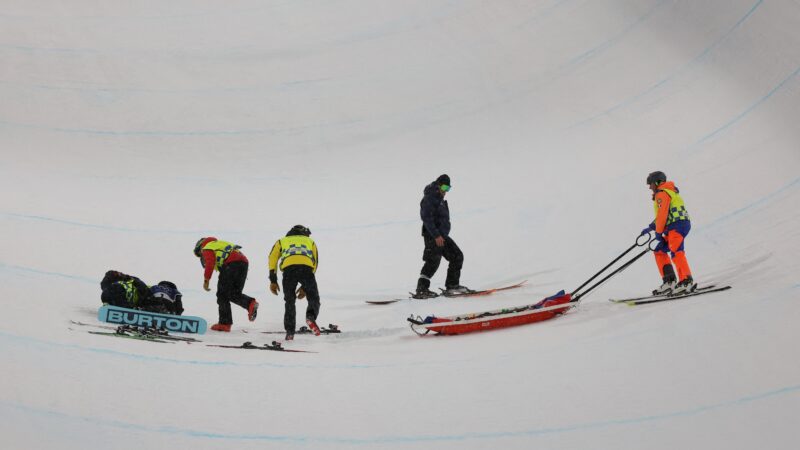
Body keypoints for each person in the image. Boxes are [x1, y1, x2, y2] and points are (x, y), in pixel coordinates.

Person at [415, 174, 470, 298]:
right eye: (444, 187)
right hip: (432, 235)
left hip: (442, 236)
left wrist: (442, 235)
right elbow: (426, 218)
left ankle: (452, 285)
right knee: (433, 260)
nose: (446, 191)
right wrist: (436, 235)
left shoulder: (439, 199)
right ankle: (422, 289)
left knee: (457, 256)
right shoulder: (430, 197)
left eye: (448, 188)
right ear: (438, 184)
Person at [642, 171, 696, 295]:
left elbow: (662, 215)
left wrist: (658, 232)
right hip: (676, 225)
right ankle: (669, 281)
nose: (650, 187)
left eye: (650, 184)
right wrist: (651, 228)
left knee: (676, 251)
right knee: (659, 251)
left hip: (677, 226)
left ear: (657, 182)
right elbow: (664, 214)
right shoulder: (667, 192)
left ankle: (686, 281)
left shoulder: (662, 193)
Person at [194, 237, 258, 332]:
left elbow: (210, 262)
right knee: (233, 293)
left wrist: (206, 280)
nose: (202, 257)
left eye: (200, 254)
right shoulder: (219, 244)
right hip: (243, 264)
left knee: (222, 294)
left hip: (230, 264)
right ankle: (250, 303)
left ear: (200, 247)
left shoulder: (207, 247)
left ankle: (224, 323)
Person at [268, 225, 321, 340]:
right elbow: (315, 262)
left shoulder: (281, 241)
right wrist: (305, 287)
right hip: (306, 269)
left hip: (289, 270)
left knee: (290, 301)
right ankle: (310, 317)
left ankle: (290, 331)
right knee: (314, 297)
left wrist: (273, 280)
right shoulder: (310, 241)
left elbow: (272, 258)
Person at [100, 270, 184, 315]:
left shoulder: (152, 287)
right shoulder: (174, 292)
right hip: (119, 292)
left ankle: (109, 305)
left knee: (119, 301)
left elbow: (145, 293)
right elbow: (179, 308)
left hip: (109, 294)